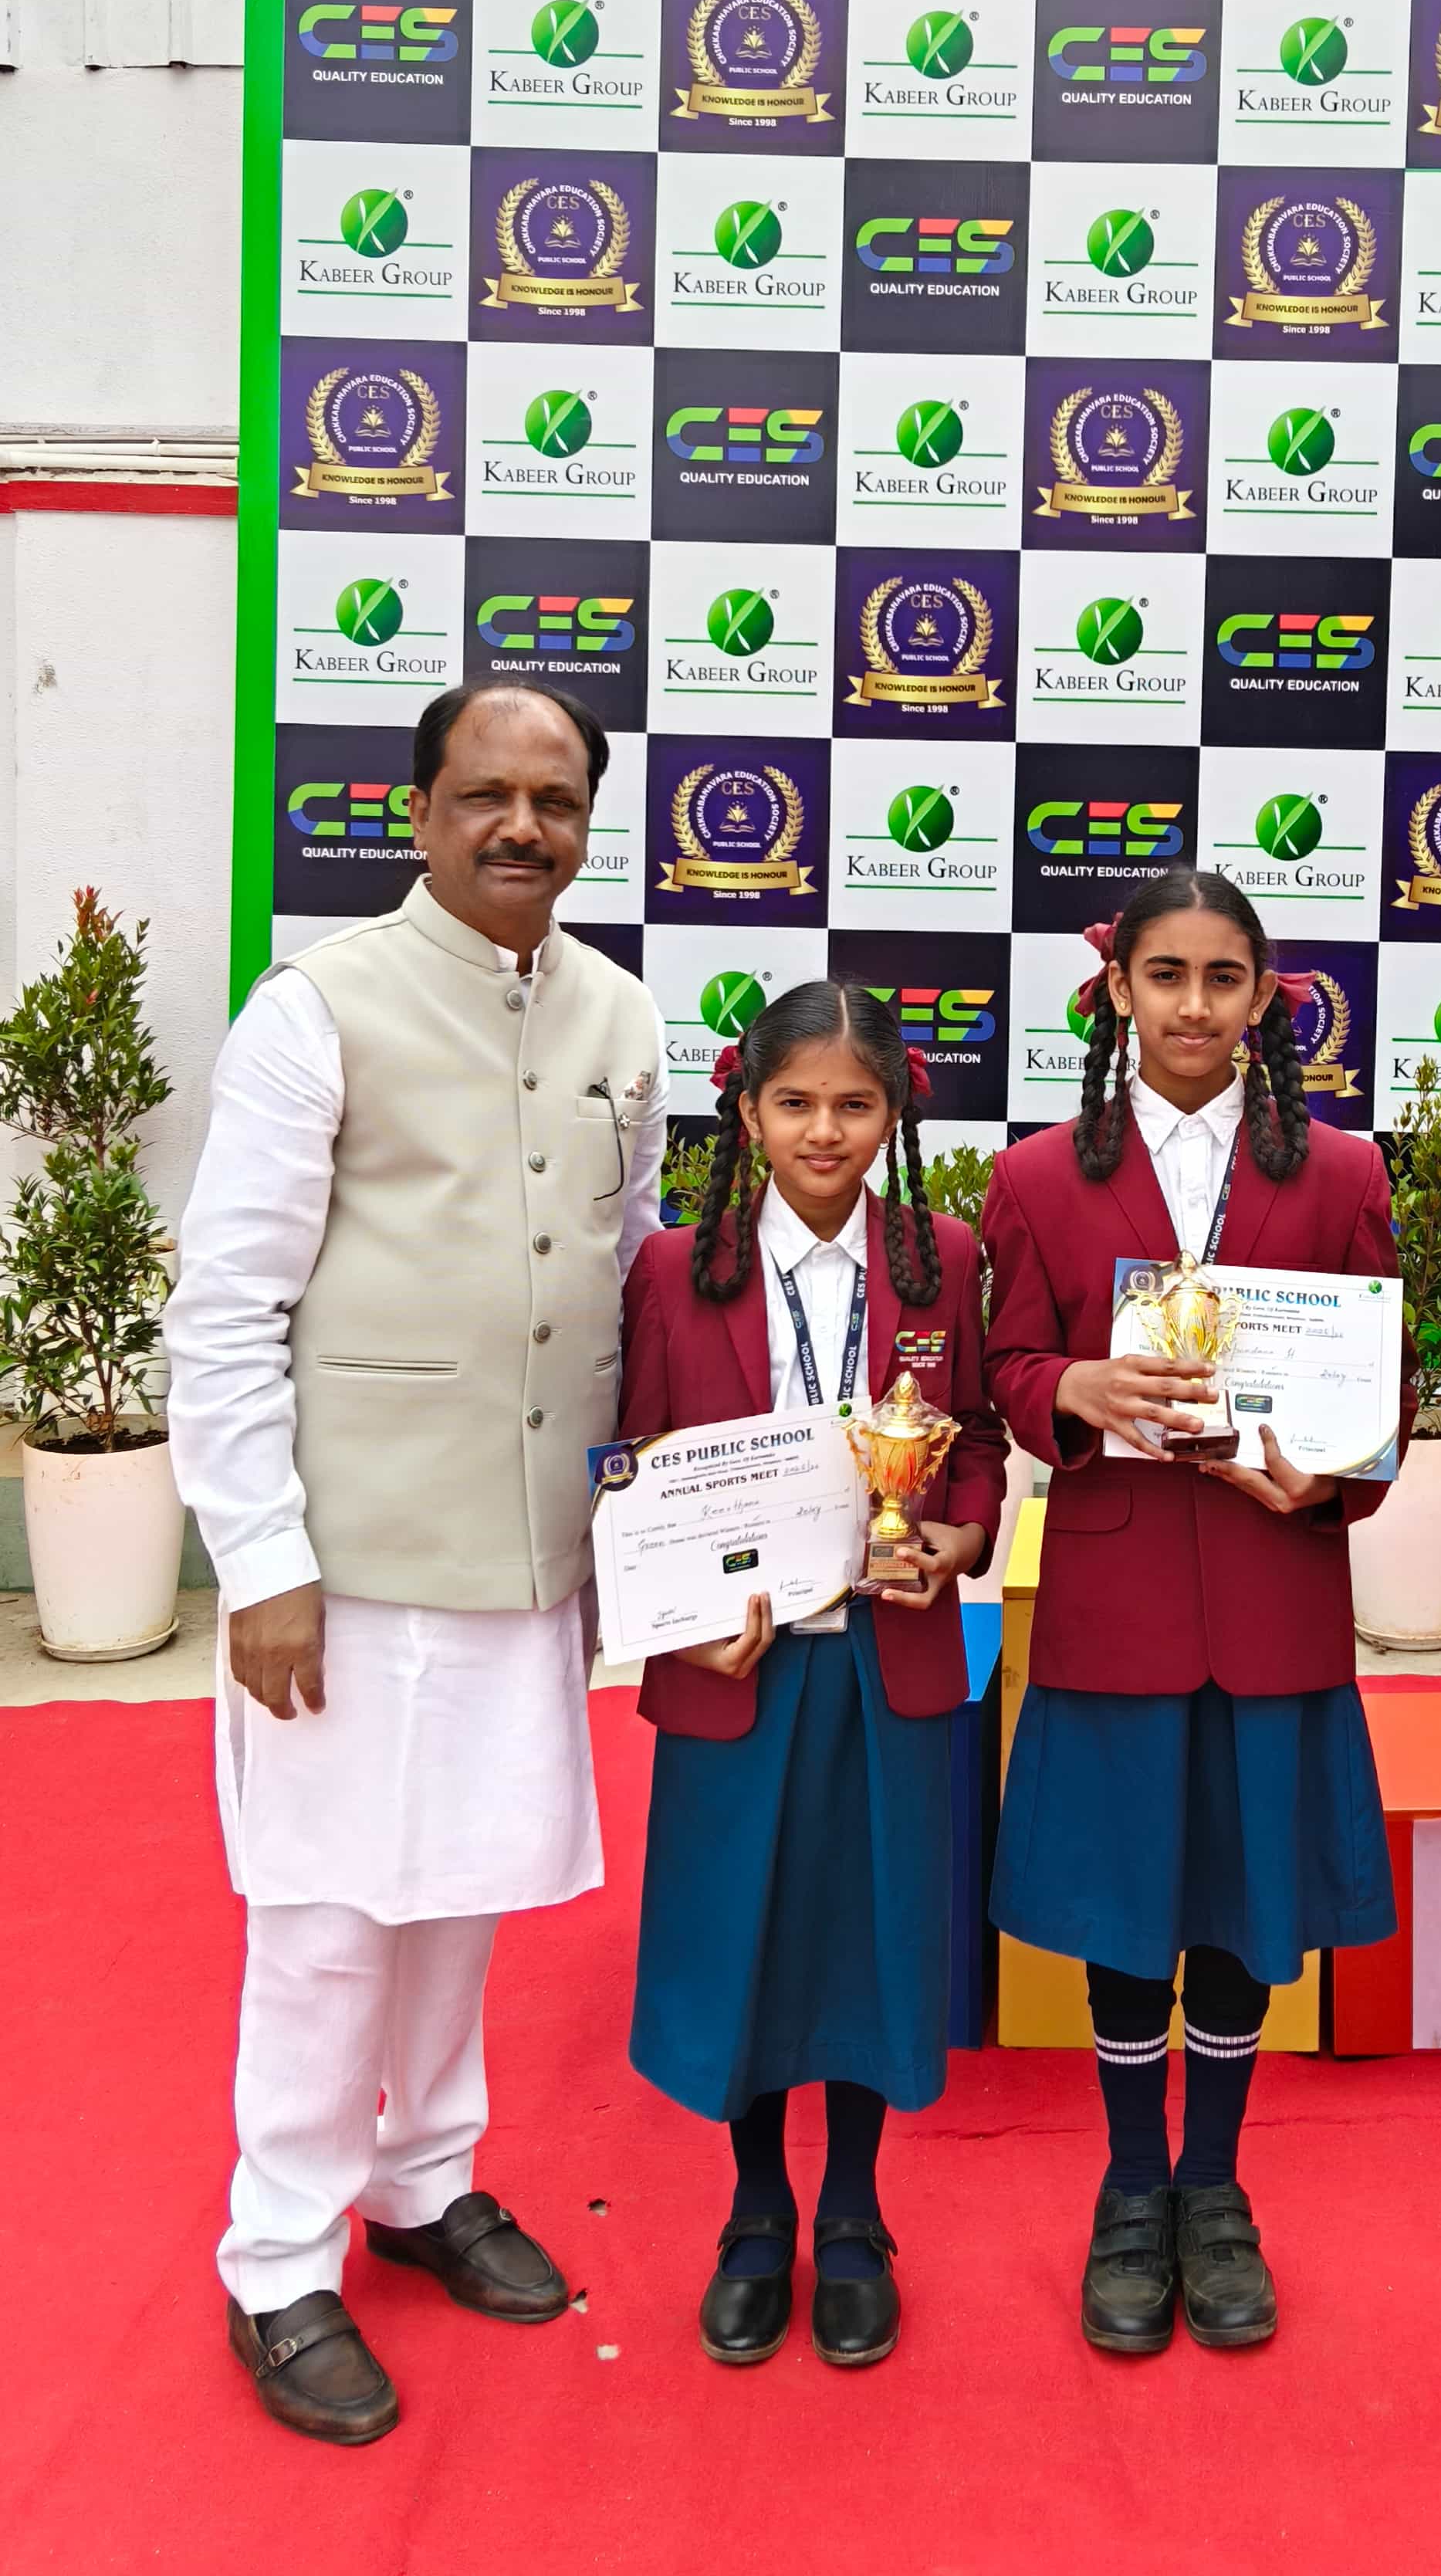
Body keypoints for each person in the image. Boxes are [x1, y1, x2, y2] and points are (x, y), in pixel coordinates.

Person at [164, 683, 666, 2445]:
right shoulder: (317, 1006)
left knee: (463, 1890)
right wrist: (259, 1556)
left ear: (587, 819)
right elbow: (226, 1305)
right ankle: (278, 2257)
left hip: (530, 1554)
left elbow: (629, 1265)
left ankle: (422, 2179)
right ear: (420, 809)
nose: (521, 825)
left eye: (555, 799)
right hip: (348, 1559)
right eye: (484, 795)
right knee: (323, 1918)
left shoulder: (620, 1011)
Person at [980, 869, 1410, 2357]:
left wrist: (1335, 1476)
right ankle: (1130, 2182)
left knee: (1240, 1901)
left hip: (1275, 1592)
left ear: (1263, 999)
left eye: (1224, 979)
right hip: (1117, 1596)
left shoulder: (1340, 1172)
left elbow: (1383, 1383)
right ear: (1118, 991)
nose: (1193, 1005)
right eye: (1165, 975)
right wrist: (1073, 1387)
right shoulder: (1039, 1175)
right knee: (1124, 1903)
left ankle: (1215, 2183)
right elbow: (1004, 1369)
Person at [621, 984, 1003, 2371]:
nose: (823, 1131)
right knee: (745, 1931)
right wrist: (674, 1616)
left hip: (886, 1658)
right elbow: (635, 1464)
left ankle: (851, 2211)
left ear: (894, 1114)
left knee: (871, 1933)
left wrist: (958, 1538)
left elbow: (974, 1446)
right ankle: (755, 2211)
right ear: (746, 1112)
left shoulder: (940, 1258)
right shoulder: (678, 1268)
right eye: (795, 1103)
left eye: (853, 1104)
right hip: (737, 1669)